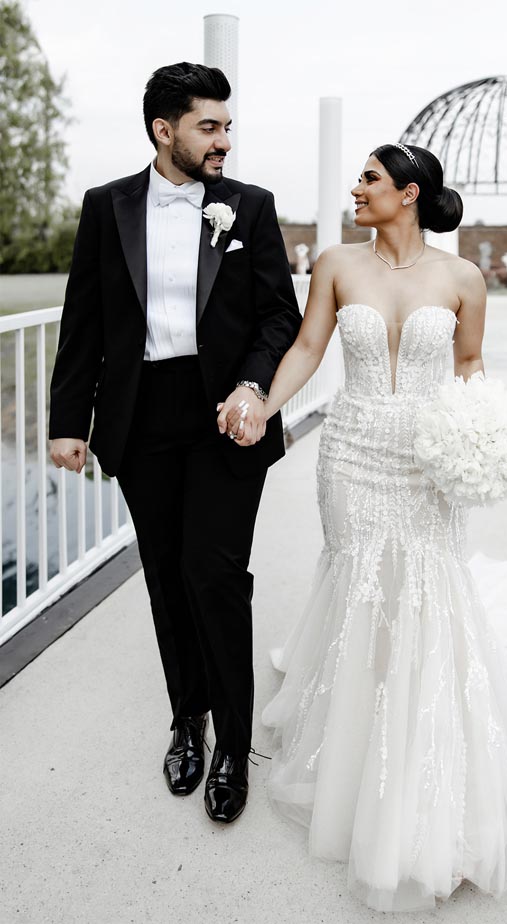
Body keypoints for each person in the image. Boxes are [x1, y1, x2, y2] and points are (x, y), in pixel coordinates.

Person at [221, 143, 507, 909]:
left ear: (408, 193)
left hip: (427, 459)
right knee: (359, 584)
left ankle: (419, 751)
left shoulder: (463, 279)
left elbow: (470, 363)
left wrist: (480, 437)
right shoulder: (337, 265)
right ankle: (354, 736)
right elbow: (310, 347)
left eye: (369, 179)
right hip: (351, 455)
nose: (356, 190)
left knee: (425, 588)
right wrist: (260, 401)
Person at [49, 62, 301, 824]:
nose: (225, 139)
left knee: (215, 575)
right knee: (165, 575)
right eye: (209, 126)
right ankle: (185, 719)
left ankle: (232, 744)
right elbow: (83, 319)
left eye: (227, 124)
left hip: (227, 416)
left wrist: (253, 388)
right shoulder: (107, 207)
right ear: (166, 130)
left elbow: (277, 320)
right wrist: (68, 420)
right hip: (141, 416)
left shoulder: (248, 208)